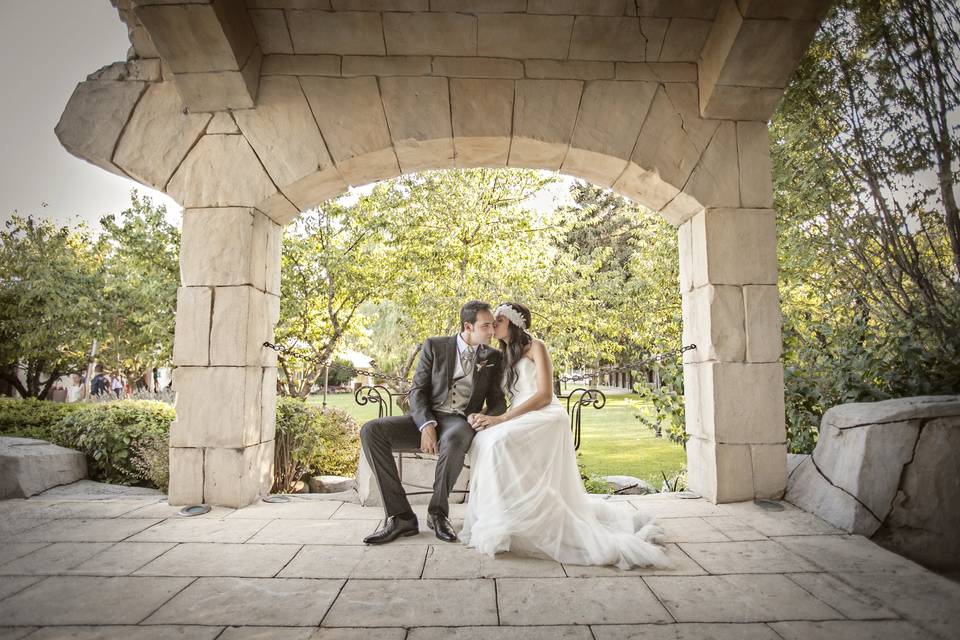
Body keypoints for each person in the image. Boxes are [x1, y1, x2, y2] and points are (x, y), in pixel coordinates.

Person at [461, 302, 671, 570]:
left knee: (500, 440)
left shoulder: (537, 346)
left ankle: (529, 515)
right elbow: (499, 398)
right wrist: (482, 415)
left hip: (545, 413)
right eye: (490, 323)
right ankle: (503, 515)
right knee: (484, 439)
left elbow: (545, 395)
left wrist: (501, 420)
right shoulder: (502, 354)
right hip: (519, 413)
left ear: (513, 323)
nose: (493, 326)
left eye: (498, 321)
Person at [360, 301, 507, 545]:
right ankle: (401, 517)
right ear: (467, 326)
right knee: (371, 431)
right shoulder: (435, 346)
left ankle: (438, 513)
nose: (492, 331)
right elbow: (417, 391)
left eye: (493, 325)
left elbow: (498, 401)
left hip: (459, 421)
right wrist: (425, 425)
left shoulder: (493, 357)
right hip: (428, 415)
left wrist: (487, 416)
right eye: (486, 326)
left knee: (455, 437)